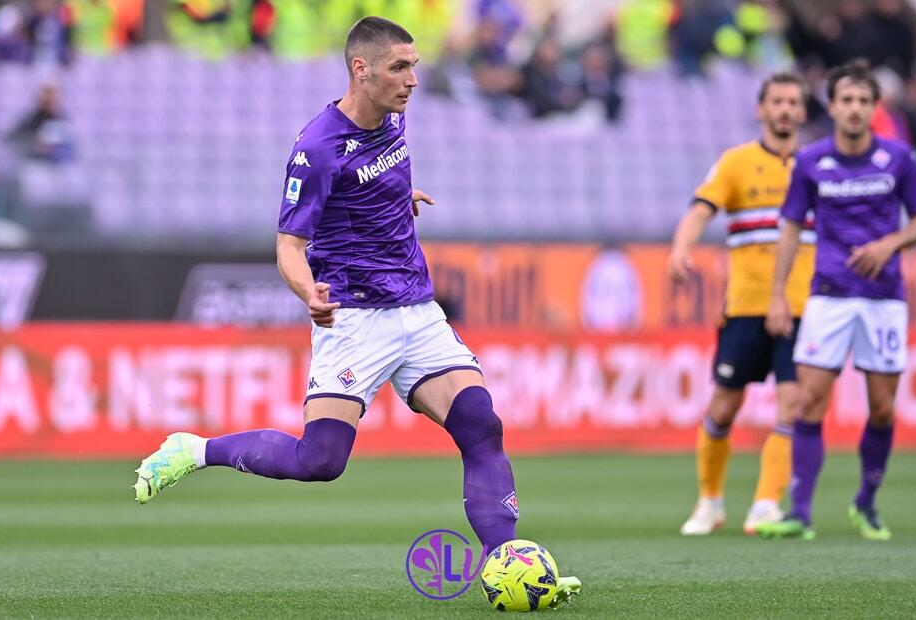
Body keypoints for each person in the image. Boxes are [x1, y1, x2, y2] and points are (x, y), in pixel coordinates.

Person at [131, 16, 580, 605]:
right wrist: (307, 291)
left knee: (481, 425)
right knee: (320, 461)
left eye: (415, 64)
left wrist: (399, 196)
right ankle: (195, 450)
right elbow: (289, 245)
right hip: (355, 318)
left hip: (416, 310)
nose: (413, 79)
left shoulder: (393, 116)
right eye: (400, 67)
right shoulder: (316, 148)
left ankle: (510, 560)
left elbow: (378, 176)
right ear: (359, 69)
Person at [757, 62, 916, 541]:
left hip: (883, 299)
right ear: (831, 107)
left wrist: (888, 244)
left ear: (875, 108)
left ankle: (866, 503)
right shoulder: (811, 163)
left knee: (881, 409)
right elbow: (790, 229)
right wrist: (777, 295)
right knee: (809, 400)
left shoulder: (899, 159)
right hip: (828, 296)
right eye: (846, 100)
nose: (855, 109)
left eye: (863, 101)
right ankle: (802, 512)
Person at [669, 72, 812, 537]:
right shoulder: (736, 163)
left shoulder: (815, 167)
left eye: (793, 102)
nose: (786, 109)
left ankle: (766, 503)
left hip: (803, 308)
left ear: (803, 112)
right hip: (746, 307)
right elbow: (700, 209)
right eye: (778, 101)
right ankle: (709, 502)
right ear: (762, 110)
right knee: (724, 408)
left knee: (793, 404)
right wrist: (681, 248)